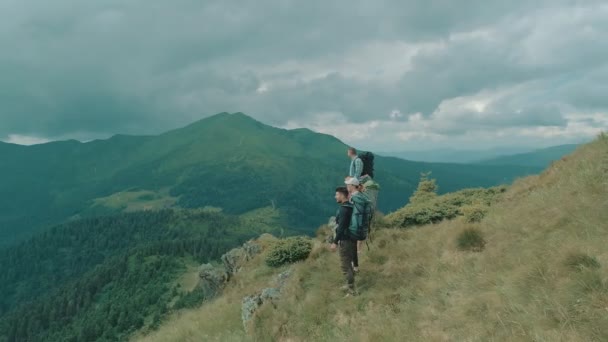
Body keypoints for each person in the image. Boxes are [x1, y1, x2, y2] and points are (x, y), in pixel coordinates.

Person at [330, 186, 357, 296]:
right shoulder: (351, 207)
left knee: (345, 266)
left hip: (345, 240)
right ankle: (349, 284)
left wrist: (335, 242)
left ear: (342, 195)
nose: (335, 196)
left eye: (336, 195)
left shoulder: (343, 209)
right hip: (352, 238)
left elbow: (341, 228)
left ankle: (351, 291)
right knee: (349, 263)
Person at [344, 177, 371, 273]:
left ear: (352, 186)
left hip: (355, 228)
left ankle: (352, 268)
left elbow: (354, 214)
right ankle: (355, 266)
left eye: (348, 184)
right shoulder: (362, 196)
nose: (346, 186)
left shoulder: (355, 198)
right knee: (353, 247)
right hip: (362, 228)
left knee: (349, 246)